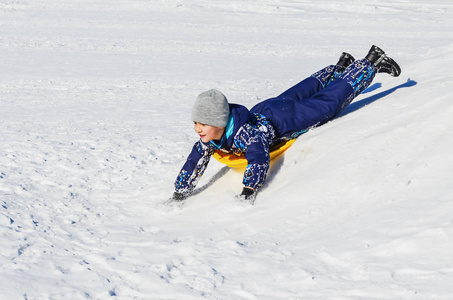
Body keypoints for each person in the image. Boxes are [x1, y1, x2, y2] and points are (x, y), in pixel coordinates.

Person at [171, 45, 401, 203]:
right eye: (196, 123)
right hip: (265, 110)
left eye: (203, 124)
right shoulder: (210, 138)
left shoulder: (247, 135)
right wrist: (180, 192)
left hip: (285, 118)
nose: (197, 129)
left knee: (327, 104)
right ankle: (340, 67)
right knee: (303, 90)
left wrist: (248, 191)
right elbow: (194, 161)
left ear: (219, 122)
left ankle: (371, 62)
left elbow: (258, 159)